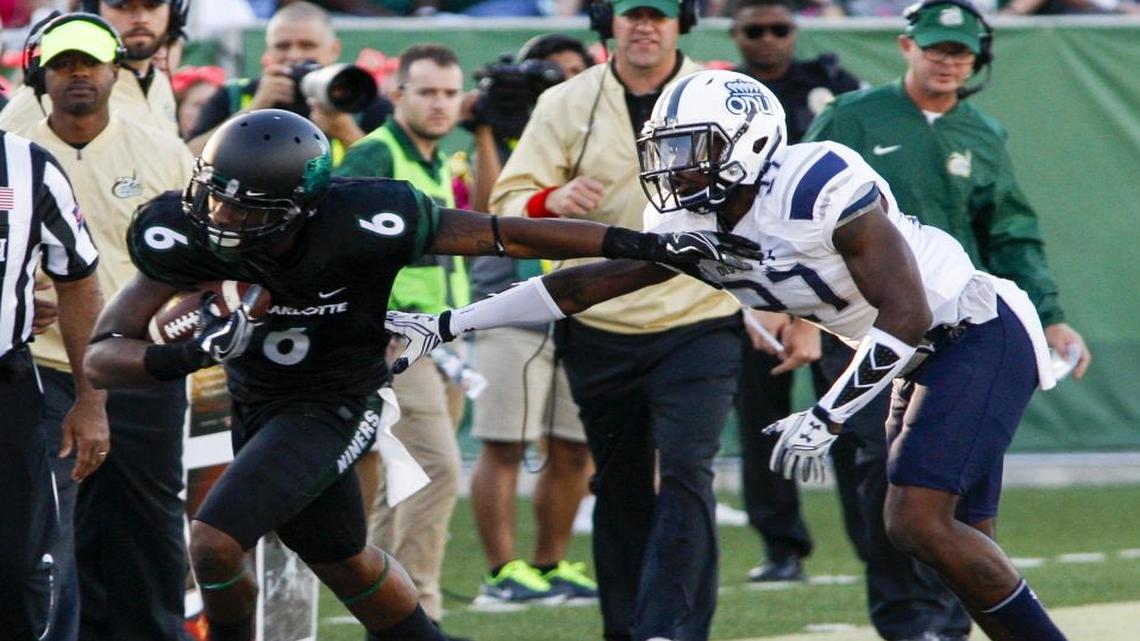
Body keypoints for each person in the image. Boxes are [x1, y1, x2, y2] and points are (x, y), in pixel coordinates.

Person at [387, 68, 1075, 641]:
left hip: (974, 328)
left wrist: (828, 414)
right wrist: (451, 322)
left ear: (750, 142)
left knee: (917, 520)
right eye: (667, 149)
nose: (674, 167)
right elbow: (582, 286)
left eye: (692, 149)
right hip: (920, 354)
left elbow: (908, 313)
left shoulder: (815, 181)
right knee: (956, 539)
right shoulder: (690, 217)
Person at [81, 107, 757, 641]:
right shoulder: (186, 231)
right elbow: (104, 354)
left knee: (214, 541)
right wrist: (188, 353)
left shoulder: (364, 219)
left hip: (337, 398)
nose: (221, 218)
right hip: (257, 401)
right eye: (215, 198)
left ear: (300, 207)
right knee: (343, 557)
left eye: (245, 208)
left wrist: (641, 244)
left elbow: (506, 233)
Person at [804, 3, 1091, 638]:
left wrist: (1050, 314)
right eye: (936, 47)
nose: (947, 61)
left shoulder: (983, 132)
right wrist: (795, 315)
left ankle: (952, 622)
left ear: (977, 60)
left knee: (951, 486)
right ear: (907, 46)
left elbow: (1010, 231)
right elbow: (796, 212)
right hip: (866, 322)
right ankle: (908, 622)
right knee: (885, 477)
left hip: (961, 326)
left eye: (960, 52)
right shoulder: (851, 116)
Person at [490, 2, 749, 639]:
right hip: (600, 321)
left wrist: (791, 309)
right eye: (632, 13)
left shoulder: (724, 95)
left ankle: (676, 631)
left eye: (659, 14)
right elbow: (506, 203)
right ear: (608, 20)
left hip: (699, 316)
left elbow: (772, 194)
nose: (645, 26)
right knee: (620, 484)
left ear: (683, 21)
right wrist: (551, 199)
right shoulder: (565, 102)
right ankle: (627, 629)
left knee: (688, 471)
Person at [12, 13, 196, 641]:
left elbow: (204, 260)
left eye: (89, 62)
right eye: (63, 64)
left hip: (142, 366)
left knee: (150, 526)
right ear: (39, 75)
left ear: (116, 70)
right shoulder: (12, 148)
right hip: (44, 366)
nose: (78, 75)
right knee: (47, 533)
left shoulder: (162, 151)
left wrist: (172, 328)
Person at [334, 43, 470, 634]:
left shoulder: (439, 160)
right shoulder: (375, 153)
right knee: (437, 468)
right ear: (398, 95)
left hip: (444, 339)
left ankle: (387, 617)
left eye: (449, 93)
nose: (440, 104)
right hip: (399, 339)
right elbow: (335, 236)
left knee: (404, 481)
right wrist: (372, 320)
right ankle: (421, 616)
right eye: (427, 92)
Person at [729, 0, 861, 585]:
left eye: (778, 29)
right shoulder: (723, 94)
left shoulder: (832, 88)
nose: (767, 39)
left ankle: (879, 546)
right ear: (735, 34)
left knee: (853, 418)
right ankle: (781, 547)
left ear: (795, 31)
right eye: (754, 30)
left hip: (837, 281)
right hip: (750, 281)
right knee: (762, 423)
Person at [465, 32, 599, 606]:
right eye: (549, 72)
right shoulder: (505, 130)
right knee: (506, 442)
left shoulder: (598, 130)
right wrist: (486, 128)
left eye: (573, 72)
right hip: (511, 304)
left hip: (582, 304)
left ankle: (549, 563)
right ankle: (502, 571)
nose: (562, 83)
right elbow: (487, 211)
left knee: (573, 447)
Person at [0, 129, 106, 640]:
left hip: (6, 387)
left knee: (19, 566)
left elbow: (78, 279)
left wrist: (91, 399)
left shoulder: (29, 166)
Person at [186, 1, 392, 161]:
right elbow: (187, 160)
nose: (294, 56)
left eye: (307, 45)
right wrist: (256, 106)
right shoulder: (234, 95)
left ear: (334, 50)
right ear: (268, 51)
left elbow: (392, 179)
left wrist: (346, 132)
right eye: (282, 46)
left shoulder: (361, 98)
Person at [0, 0, 184, 135]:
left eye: (152, 5)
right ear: (93, 9)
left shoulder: (158, 81)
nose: (141, 19)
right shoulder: (57, 89)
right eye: (122, 6)